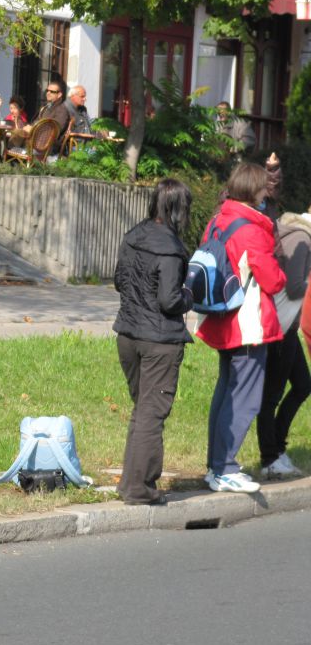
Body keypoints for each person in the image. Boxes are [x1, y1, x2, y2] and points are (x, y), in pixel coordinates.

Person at [197, 162, 286, 493]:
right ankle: (226, 468)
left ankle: (215, 466)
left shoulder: (219, 220)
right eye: (264, 188)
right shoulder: (251, 228)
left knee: (224, 394)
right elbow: (273, 280)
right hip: (248, 324)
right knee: (245, 398)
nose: (267, 193)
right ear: (254, 190)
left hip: (222, 319)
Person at [112, 179, 193, 505]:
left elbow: (119, 281)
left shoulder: (133, 236)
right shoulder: (171, 249)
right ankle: (140, 489)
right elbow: (170, 300)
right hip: (159, 341)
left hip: (128, 336)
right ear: (178, 209)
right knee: (151, 414)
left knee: (141, 411)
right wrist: (191, 294)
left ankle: (130, 484)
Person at [256, 204, 311, 479]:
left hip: (285, 326)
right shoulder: (302, 238)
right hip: (278, 326)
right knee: (271, 396)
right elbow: (293, 286)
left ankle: (278, 446)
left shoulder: (290, 230)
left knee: (303, 384)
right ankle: (270, 457)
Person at [13, 80, 70, 157]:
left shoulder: (62, 110)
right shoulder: (47, 107)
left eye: (52, 91)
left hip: (46, 146)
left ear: (59, 94)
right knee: (15, 132)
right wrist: (29, 127)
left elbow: (56, 129)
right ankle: (11, 155)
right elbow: (37, 121)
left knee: (15, 136)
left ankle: (11, 157)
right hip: (36, 140)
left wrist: (33, 129)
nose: (48, 93)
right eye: (47, 90)